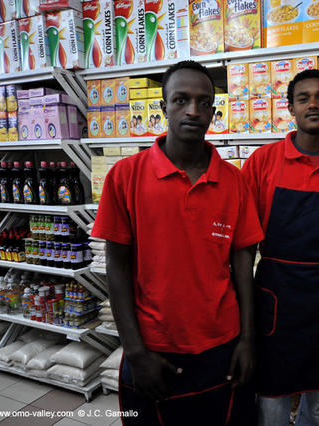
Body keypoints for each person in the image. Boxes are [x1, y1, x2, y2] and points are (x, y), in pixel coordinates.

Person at [92, 60, 263, 425]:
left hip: (222, 345)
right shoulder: (126, 176)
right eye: (181, 100)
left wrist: (248, 340)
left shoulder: (234, 182)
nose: (193, 111)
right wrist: (136, 353)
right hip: (154, 347)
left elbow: (243, 267)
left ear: (214, 113)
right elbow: (117, 267)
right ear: (163, 107)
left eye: (203, 103)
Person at [241, 69, 319, 426]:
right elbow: (245, 244)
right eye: (303, 98)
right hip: (274, 293)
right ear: (290, 108)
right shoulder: (263, 162)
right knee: (272, 394)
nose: (313, 104)